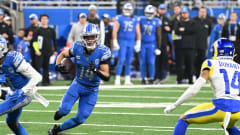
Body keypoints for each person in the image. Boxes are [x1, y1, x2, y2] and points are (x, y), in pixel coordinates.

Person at [164, 38, 240, 135]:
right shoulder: (238, 66)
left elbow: (194, 89)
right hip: (238, 110)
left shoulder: (210, 63)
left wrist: (175, 104)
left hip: (222, 106)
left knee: (183, 118)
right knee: (227, 123)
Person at [48, 24, 111, 135]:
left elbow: (106, 76)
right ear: (83, 38)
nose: (90, 40)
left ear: (97, 37)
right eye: (87, 37)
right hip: (78, 84)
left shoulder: (103, 51)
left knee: (81, 118)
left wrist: (96, 70)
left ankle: (56, 130)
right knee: (64, 110)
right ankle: (60, 112)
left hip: (92, 89)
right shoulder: (78, 47)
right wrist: (58, 65)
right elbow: (63, 54)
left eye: (92, 36)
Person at [0, 37, 42, 135]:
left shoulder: (12, 58)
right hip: (13, 93)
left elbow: (37, 77)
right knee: (11, 123)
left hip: (25, 93)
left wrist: (22, 91)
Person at [113, 2, 141, 85]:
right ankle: (117, 78)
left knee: (129, 61)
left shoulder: (135, 19)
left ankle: (127, 79)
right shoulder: (119, 18)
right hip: (122, 41)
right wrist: (115, 41)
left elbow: (138, 32)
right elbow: (115, 31)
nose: (127, 11)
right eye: (126, 9)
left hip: (131, 42)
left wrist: (138, 42)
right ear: (123, 9)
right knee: (121, 60)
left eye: (129, 9)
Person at [174, 8, 197, 84]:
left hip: (190, 47)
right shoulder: (178, 23)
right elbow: (176, 31)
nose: (184, 14)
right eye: (183, 13)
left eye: (185, 13)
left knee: (190, 64)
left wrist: (184, 30)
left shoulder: (193, 23)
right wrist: (186, 31)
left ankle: (190, 79)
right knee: (179, 64)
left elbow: (192, 30)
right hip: (180, 47)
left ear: (188, 13)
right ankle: (179, 79)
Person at [139, 5, 161, 84]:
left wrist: (158, 47)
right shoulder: (141, 20)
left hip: (152, 44)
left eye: (150, 13)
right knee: (143, 62)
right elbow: (137, 32)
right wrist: (137, 43)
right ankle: (143, 77)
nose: (149, 14)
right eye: (147, 13)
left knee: (151, 62)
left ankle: (151, 77)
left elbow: (159, 35)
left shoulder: (156, 21)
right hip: (142, 43)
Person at [32, 14, 57, 86]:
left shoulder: (51, 30)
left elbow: (54, 40)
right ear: (40, 20)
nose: (44, 20)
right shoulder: (37, 30)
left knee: (46, 66)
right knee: (37, 67)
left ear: (48, 20)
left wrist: (55, 50)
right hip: (39, 51)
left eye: (46, 19)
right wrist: (36, 50)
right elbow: (34, 41)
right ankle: (35, 82)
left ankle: (46, 81)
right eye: (43, 19)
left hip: (48, 51)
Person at [193, 7, 212, 78]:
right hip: (194, 45)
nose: (202, 13)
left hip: (203, 45)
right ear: (198, 12)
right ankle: (194, 75)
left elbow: (209, 33)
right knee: (194, 61)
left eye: (204, 12)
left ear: (206, 13)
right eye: (201, 12)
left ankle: (200, 76)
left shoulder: (208, 22)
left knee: (202, 61)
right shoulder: (193, 20)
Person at [155, 4, 171, 84]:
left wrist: (168, 44)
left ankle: (161, 78)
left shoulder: (167, 20)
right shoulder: (154, 19)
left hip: (164, 44)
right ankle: (154, 77)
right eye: (161, 9)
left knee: (162, 61)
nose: (162, 11)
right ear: (158, 9)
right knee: (155, 61)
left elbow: (170, 32)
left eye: (163, 9)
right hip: (155, 43)